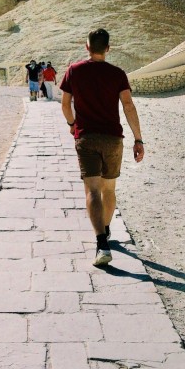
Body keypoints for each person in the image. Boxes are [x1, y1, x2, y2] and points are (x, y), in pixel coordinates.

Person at [60, 28, 145, 267]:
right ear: (108, 48)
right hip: (112, 139)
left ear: (87, 47)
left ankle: (101, 243)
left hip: (86, 138)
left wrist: (72, 124)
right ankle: (106, 229)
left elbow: (66, 105)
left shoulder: (74, 71)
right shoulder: (117, 74)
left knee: (92, 192)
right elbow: (128, 105)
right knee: (109, 190)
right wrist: (138, 139)